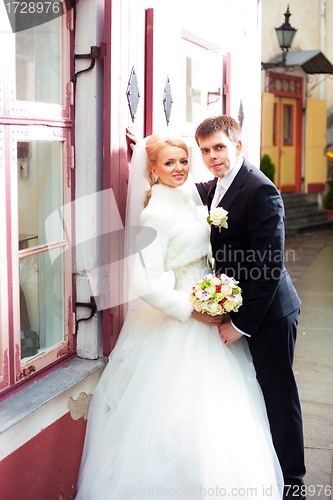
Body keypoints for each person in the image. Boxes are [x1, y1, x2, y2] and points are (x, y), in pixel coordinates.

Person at [75, 134, 284, 499]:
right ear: (152, 170)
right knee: (177, 412)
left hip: (210, 308)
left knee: (222, 411)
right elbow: (142, 281)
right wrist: (191, 308)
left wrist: (151, 146)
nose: (179, 169)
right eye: (168, 163)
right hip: (185, 317)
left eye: (184, 161)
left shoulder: (189, 197)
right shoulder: (156, 212)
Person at [193, 115, 306, 499]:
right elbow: (188, 188)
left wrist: (240, 325)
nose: (211, 157)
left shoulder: (261, 190)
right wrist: (149, 149)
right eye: (205, 151)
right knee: (255, 393)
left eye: (219, 148)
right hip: (241, 305)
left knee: (278, 393)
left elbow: (269, 267)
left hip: (270, 313)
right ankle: (266, 466)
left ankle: (292, 480)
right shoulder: (218, 185)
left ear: (237, 146)